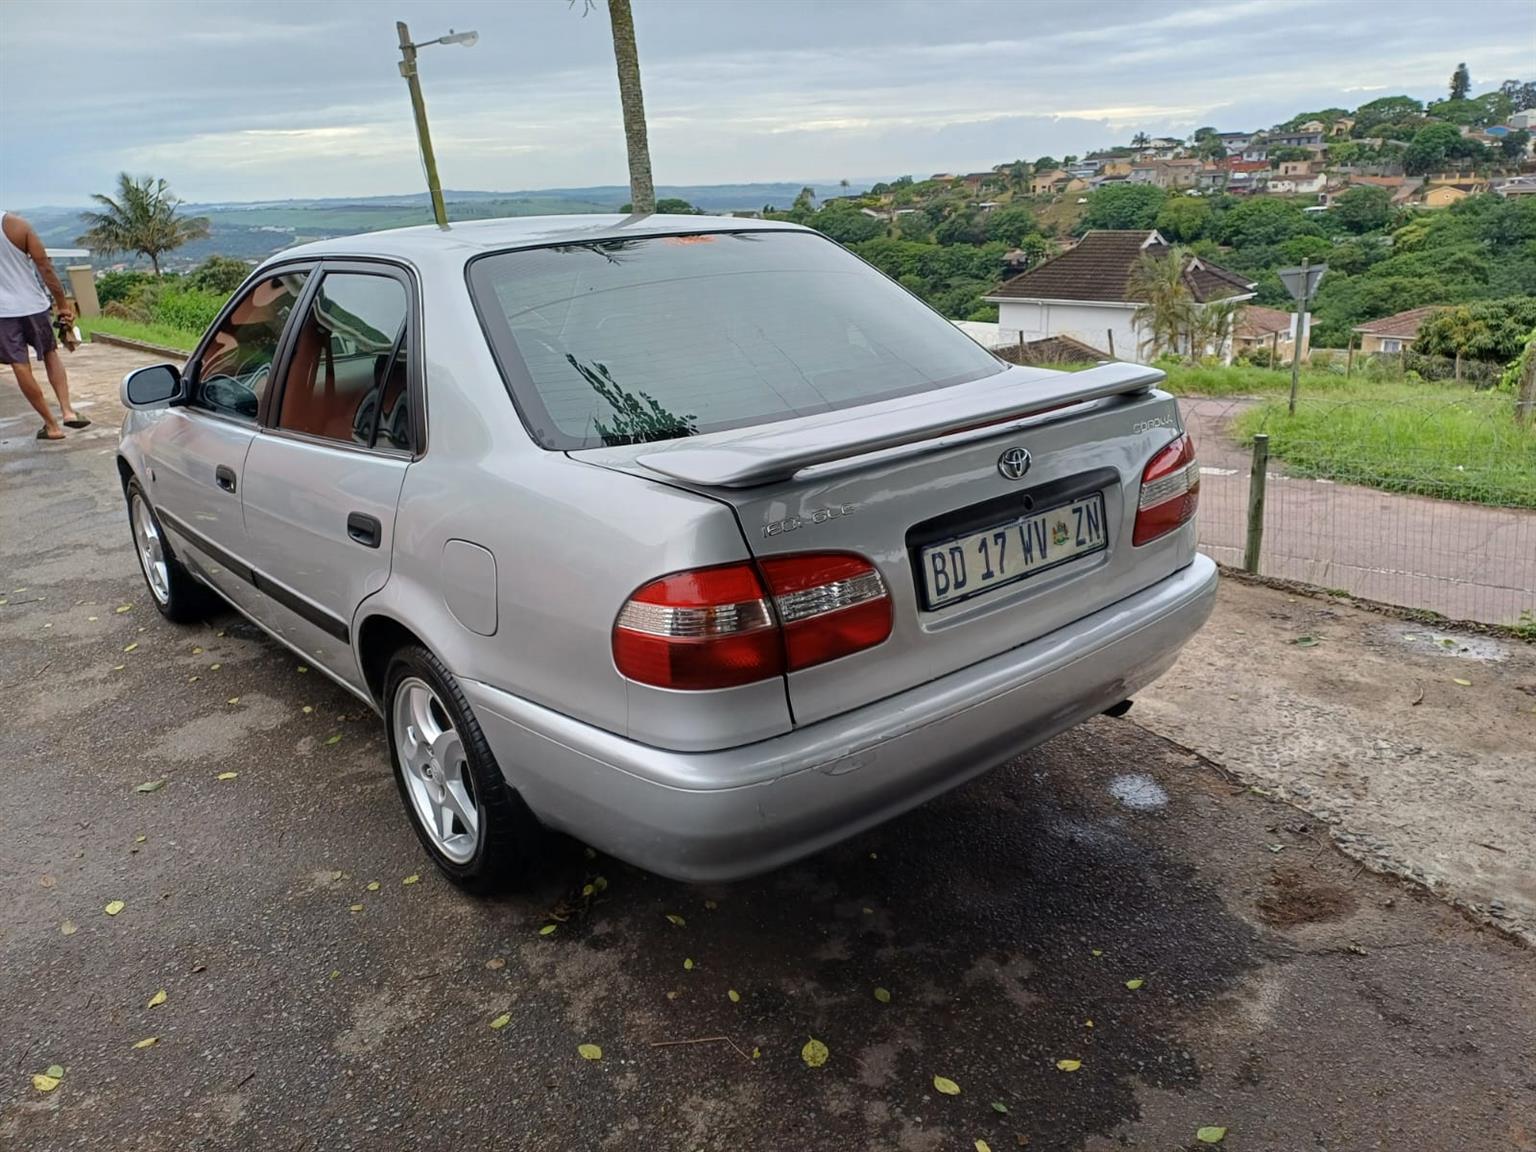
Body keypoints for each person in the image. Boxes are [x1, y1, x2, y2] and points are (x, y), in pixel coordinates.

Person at [0, 211, 88, 440]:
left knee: (20, 366)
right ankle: (67, 411)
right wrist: (62, 305)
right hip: (34, 305)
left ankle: (51, 425)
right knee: (50, 353)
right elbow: (45, 267)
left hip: (3, 315)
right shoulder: (16, 225)